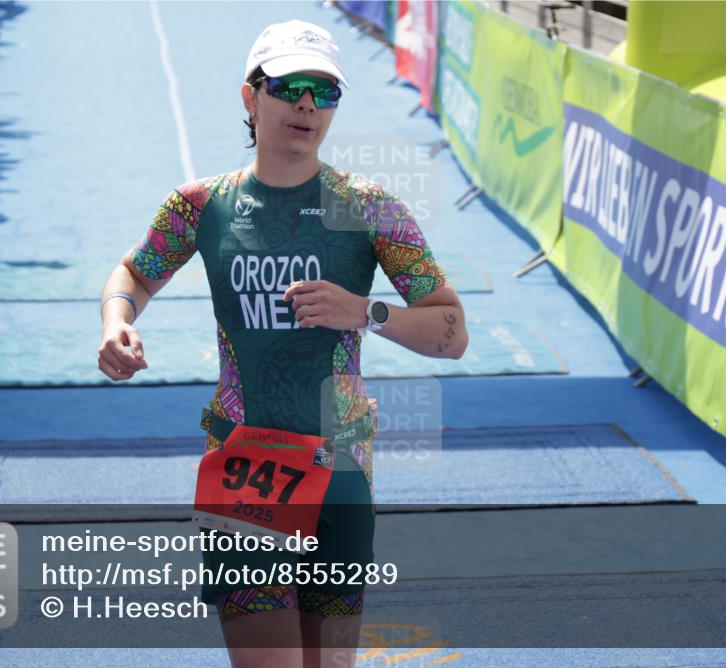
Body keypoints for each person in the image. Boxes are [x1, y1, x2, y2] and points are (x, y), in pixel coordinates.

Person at [98, 18, 467, 668]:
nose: (306, 104)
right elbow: (132, 273)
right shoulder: (198, 205)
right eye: (290, 85)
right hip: (245, 466)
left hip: (342, 468)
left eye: (325, 92)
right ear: (251, 97)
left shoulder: (371, 207)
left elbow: (451, 332)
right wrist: (116, 322)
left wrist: (365, 310)